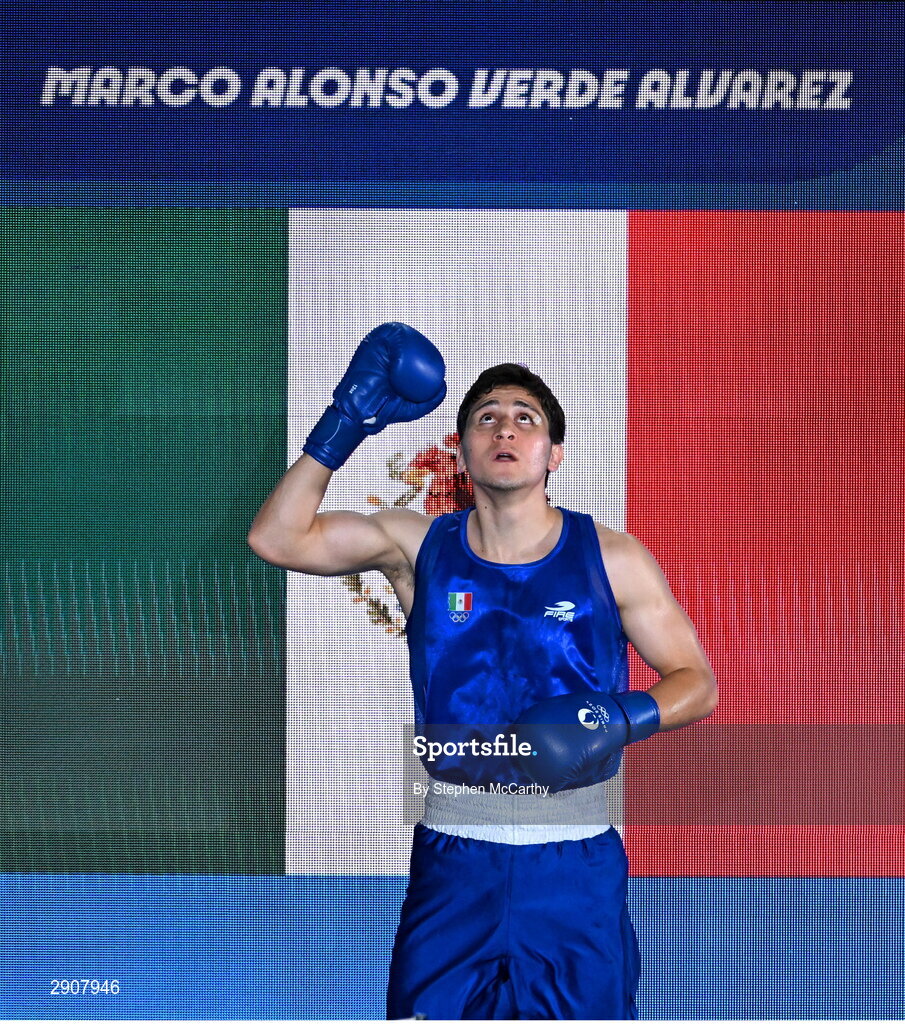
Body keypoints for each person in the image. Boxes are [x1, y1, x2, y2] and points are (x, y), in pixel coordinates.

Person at [248, 322, 717, 1020]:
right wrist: (345, 420)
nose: (504, 428)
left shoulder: (612, 556)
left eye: (524, 419)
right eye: (485, 418)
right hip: (453, 863)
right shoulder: (416, 545)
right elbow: (275, 537)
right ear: (463, 451)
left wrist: (614, 718)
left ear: (553, 452)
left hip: (575, 868)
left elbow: (696, 682)